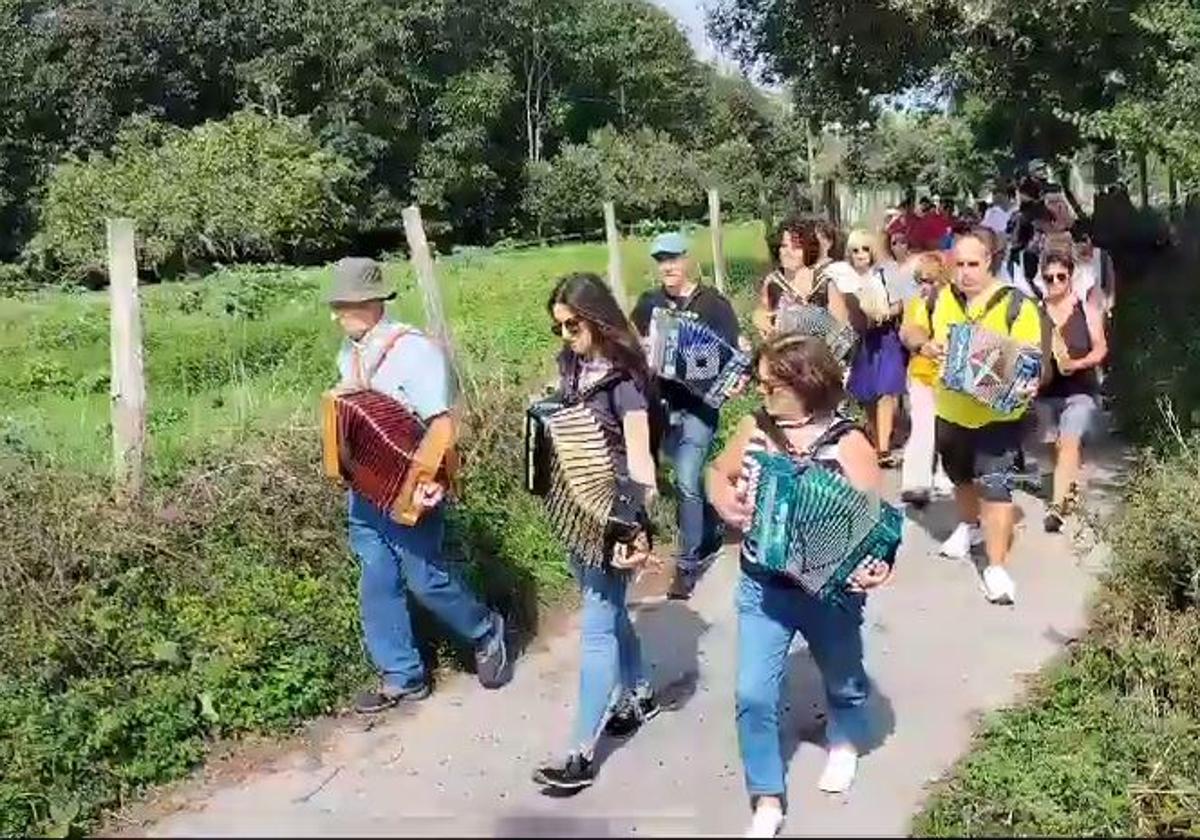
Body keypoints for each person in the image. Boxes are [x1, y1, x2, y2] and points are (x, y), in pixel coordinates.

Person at [706, 334, 893, 839]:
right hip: (763, 586)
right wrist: (724, 500)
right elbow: (716, 473)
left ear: (805, 384)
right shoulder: (754, 427)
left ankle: (846, 739)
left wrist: (877, 566)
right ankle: (766, 796)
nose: (760, 391)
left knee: (845, 678)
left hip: (828, 592)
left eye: (771, 384)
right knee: (752, 693)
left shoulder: (849, 442)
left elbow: (875, 527)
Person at [328, 257, 510, 713]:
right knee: (377, 579)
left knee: (424, 578)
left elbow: (442, 426)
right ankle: (403, 675)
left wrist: (431, 480)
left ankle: (486, 629)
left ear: (372, 303)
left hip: (412, 483)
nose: (337, 315)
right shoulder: (347, 354)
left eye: (345, 305)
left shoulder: (413, 350)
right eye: (336, 305)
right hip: (366, 490)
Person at [533, 272, 661, 791]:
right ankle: (643, 693)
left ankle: (580, 752)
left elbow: (642, 467)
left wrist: (630, 529)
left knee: (597, 628)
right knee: (607, 612)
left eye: (572, 325)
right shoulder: (572, 364)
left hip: (612, 515)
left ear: (596, 317)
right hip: (575, 510)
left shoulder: (625, 382)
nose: (565, 335)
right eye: (558, 327)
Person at [925, 231, 1045, 604]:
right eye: (958, 264)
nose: (964, 272)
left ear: (989, 262)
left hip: (999, 416)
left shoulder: (1015, 305)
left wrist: (1028, 381)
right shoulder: (943, 298)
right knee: (960, 478)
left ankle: (995, 568)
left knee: (996, 487)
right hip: (951, 410)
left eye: (972, 264)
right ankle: (968, 525)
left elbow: (1031, 360)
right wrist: (926, 344)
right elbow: (914, 329)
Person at [631, 232, 741, 601]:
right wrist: (646, 351)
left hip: (699, 405)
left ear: (688, 260)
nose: (668, 267)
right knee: (686, 483)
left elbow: (730, 357)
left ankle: (687, 564)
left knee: (686, 480)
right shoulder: (649, 304)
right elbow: (630, 343)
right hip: (662, 405)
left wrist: (688, 361)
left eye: (674, 259)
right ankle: (708, 529)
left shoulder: (713, 305)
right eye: (662, 260)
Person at [1035, 253, 1107, 532]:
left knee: (1069, 442)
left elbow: (1100, 348)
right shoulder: (1035, 312)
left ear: (1070, 276)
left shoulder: (1086, 309)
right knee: (1056, 446)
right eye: (1049, 278)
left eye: (1060, 277)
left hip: (1081, 391)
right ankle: (1068, 488)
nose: (1055, 282)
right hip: (1046, 392)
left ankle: (1057, 508)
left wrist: (1077, 363)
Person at [843, 229, 909, 468]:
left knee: (886, 391)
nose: (861, 255)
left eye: (865, 249)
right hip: (862, 340)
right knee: (868, 393)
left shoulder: (885, 273)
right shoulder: (845, 278)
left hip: (886, 336)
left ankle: (883, 448)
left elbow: (899, 303)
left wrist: (884, 314)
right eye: (855, 250)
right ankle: (875, 437)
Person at [897, 252, 955, 506]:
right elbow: (908, 331)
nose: (925, 286)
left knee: (949, 429)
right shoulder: (916, 305)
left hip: (951, 376)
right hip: (922, 373)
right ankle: (915, 483)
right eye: (921, 281)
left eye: (931, 281)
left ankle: (946, 475)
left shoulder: (957, 305)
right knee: (922, 428)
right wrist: (923, 345)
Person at [752, 214, 853, 339]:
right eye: (784, 246)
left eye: (797, 248)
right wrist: (760, 319)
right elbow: (763, 314)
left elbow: (842, 331)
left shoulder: (825, 282)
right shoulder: (773, 282)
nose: (788, 252)